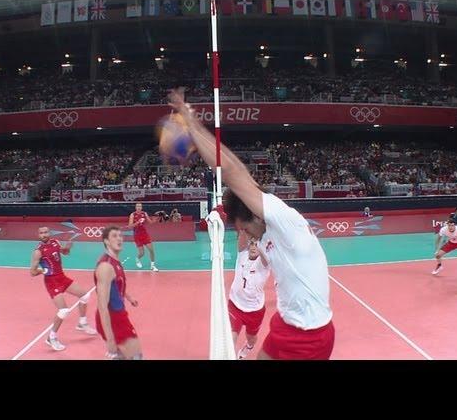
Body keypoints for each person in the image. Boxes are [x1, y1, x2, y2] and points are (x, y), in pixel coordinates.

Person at [168, 87, 334, 360]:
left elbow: (235, 173)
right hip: (285, 322)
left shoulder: (284, 219)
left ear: (255, 216)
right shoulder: (265, 236)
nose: (243, 234)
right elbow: (240, 183)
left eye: (243, 227)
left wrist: (191, 126)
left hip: (311, 336)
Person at [30, 226, 97, 351]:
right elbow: (32, 272)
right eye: (41, 233)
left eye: (46, 232)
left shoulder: (55, 242)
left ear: (49, 232)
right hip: (51, 282)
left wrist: (67, 248)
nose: (44, 234)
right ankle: (51, 337)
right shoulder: (38, 251)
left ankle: (82, 323)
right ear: (38, 235)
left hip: (62, 277)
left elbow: (64, 253)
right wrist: (43, 270)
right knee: (63, 311)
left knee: (85, 296)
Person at [95, 225, 143, 359]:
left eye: (120, 236)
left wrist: (128, 297)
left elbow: (115, 285)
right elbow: (102, 306)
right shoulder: (106, 267)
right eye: (114, 236)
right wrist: (110, 339)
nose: (119, 239)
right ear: (106, 241)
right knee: (136, 357)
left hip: (119, 314)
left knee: (122, 357)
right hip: (113, 318)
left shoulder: (115, 261)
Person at [229, 230, 270, 359]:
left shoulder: (263, 265)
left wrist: (261, 242)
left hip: (254, 310)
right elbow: (242, 236)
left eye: (257, 245)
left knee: (251, 337)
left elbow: (265, 257)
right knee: (231, 338)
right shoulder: (242, 255)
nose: (253, 247)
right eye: (252, 244)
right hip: (235, 304)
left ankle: (249, 346)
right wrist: (244, 225)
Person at [127, 202, 158, 271]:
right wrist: (138, 222)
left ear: (141, 207)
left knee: (151, 250)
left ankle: (152, 266)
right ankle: (137, 259)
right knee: (142, 253)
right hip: (137, 236)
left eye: (140, 206)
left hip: (145, 234)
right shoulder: (132, 215)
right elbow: (130, 226)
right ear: (135, 207)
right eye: (137, 206)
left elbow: (150, 222)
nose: (139, 207)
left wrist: (154, 220)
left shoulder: (144, 214)